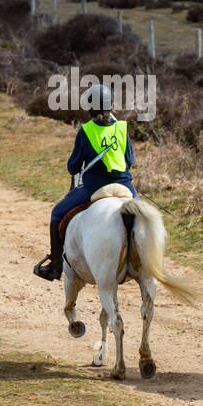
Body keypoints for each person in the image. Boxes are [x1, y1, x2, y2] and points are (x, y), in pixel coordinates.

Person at [33, 83, 136, 281]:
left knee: (56, 215)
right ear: (110, 105)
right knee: (144, 217)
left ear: (90, 107)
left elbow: (73, 166)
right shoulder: (123, 128)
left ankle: (55, 266)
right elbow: (129, 161)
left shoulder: (86, 131)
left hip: (94, 187)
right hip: (125, 186)